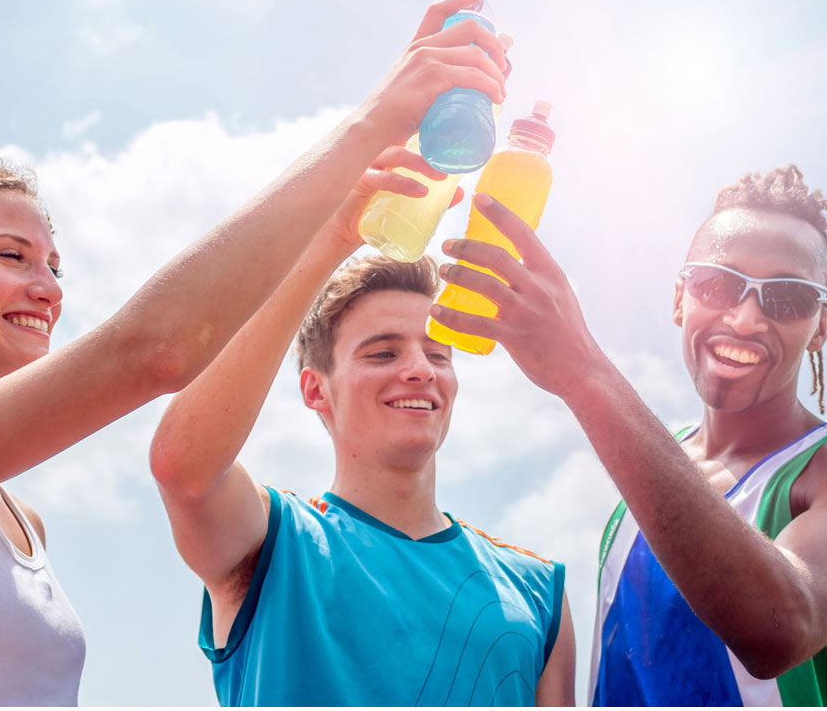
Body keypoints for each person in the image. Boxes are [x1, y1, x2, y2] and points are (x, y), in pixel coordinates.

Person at [0, 0, 508, 706]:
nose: (48, 288)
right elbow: (154, 350)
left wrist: (333, 235)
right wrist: (373, 122)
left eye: (54, 267)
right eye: (13, 256)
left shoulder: (12, 515)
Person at [429, 165, 827, 706]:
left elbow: (780, 628)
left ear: (821, 326)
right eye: (718, 283)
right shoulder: (647, 481)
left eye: (786, 298)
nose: (746, 317)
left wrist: (583, 372)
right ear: (679, 298)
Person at [148, 159, 576, 702]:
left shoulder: (539, 591)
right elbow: (182, 468)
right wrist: (331, 241)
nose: (420, 368)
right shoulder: (273, 543)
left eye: (437, 354)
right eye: (383, 352)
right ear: (315, 389)